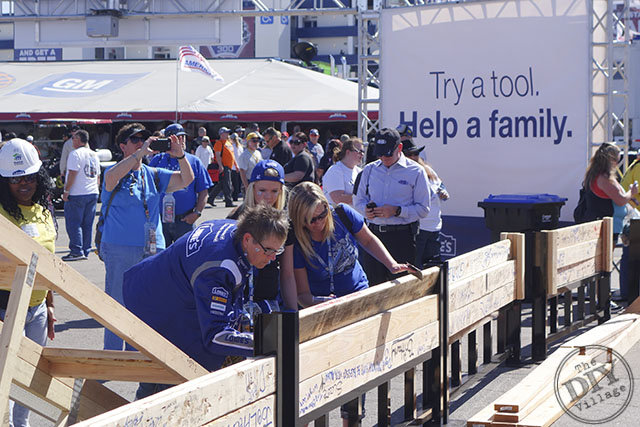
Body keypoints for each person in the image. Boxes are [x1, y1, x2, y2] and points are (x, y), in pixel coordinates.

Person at [123, 204, 289, 398]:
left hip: (160, 286)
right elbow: (214, 335)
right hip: (157, 307)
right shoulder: (219, 268)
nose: (271, 259)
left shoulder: (237, 231)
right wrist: (265, 343)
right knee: (172, 383)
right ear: (247, 239)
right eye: (268, 251)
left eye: (277, 252)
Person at [100, 123, 194, 351]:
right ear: (123, 146)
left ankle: (139, 353)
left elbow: (186, 180)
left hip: (152, 248)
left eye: (144, 139)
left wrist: (180, 155)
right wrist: (139, 155)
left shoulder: (152, 174)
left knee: (146, 304)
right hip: (119, 247)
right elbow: (110, 179)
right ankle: (112, 356)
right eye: (135, 140)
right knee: (116, 303)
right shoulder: (114, 171)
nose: (141, 143)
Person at [0, 138, 56, 427]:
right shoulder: (1, 214)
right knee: (7, 373)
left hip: (37, 310)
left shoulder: (44, 209)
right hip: (5, 307)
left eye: (30, 177)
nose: (24, 183)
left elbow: (48, 259)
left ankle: (22, 423)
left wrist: (49, 303)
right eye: (15, 179)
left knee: (32, 375)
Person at [354, 128, 430, 285]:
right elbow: (358, 201)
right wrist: (366, 211)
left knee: (401, 287)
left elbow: (423, 209)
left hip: (402, 238)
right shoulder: (369, 170)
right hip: (373, 237)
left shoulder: (416, 171)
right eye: (380, 153)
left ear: (399, 148)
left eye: (388, 153)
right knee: (373, 287)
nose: (384, 157)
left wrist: (397, 211)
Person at [227, 160, 297, 310]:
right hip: (236, 302)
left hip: (268, 302)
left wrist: (293, 312)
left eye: (274, 191)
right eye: (262, 190)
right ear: (252, 189)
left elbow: (287, 273)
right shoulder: (234, 219)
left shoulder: (285, 224)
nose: (268, 197)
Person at [149, 123, 212, 246]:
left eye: (182, 137)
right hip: (161, 220)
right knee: (160, 258)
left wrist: (197, 213)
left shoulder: (194, 161)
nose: (181, 141)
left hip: (185, 220)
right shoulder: (157, 160)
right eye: (176, 138)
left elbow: (203, 191)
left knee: (186, 258)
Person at [403, 140, 449, 266]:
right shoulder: (404, 173)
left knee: (433, 267)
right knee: (415, 267)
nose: (413, 157)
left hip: (434, 226)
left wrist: (443, 192)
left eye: (416, 153)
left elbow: (441, 186)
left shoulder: (428, 170)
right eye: (409, 154)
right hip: (418, 228)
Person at [61, 129, 100, 261]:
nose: (72, 140)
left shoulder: (75, 154)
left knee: (74, 223)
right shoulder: (94, 154)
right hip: (92, 191)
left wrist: (66, 191)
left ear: (79, 140)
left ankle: (76, 250)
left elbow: (72, 173)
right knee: (87, 223)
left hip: (77, 192)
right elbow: (98, 175)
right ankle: (85, 248)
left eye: (73, 138)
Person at [322, 138, 364, 206]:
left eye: (363, 152)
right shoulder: (335, 170)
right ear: (348, 152)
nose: (362, 154)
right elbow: (338, 198)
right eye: (359, 151)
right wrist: (362, 198)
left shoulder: (359, 171)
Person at [209, 127, 237, 208]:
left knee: (222, 184)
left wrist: (235, 165)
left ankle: (211, 198)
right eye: (226, 132)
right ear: (221, 134)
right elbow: (217, 155)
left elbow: (231, 155)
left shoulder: (228, 142)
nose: (227, 134)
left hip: (229, 166)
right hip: (224, 166)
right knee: (227, 184)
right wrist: (220, 166)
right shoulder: (219, 143)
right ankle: (229, 201)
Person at [229, 132, 244, 201]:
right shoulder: (240, 147)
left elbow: (232, 157)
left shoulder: (232, 147)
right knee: (237, 182)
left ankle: (233, 195)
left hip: (233, 166)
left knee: (232, 183)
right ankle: (236, 195)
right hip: (240, 166)